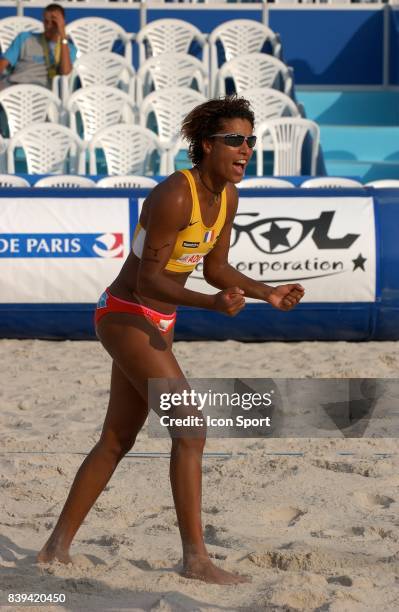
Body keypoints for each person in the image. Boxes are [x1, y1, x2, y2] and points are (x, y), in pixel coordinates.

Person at [37, 96, 305, 584]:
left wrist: (267, 293)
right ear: (206, 145)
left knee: (118, 438)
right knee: (191, 428)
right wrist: (212, 303)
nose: (246, 149)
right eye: (234, 140)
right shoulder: (173, 196)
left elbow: (216, 267)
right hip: (125, 314)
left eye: (251, 140)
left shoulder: (228, 195)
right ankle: (196, 560)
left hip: (157, 321)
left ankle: (55, 549)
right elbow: (146, 283)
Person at [0, 4, 76, 90]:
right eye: (46, 21)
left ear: (62, 23)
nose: (48, 26)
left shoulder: (68, 48)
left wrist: (63, 35)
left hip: (41, 92)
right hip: (14, 86)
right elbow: (2, 64)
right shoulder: (25, 37)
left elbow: (65, 72)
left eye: (54, 22)